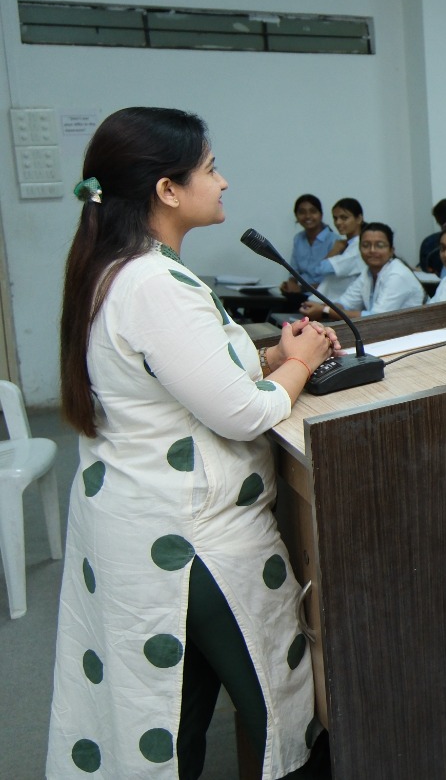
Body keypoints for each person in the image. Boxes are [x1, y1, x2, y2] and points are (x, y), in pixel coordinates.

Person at [51, 106, 338, 778]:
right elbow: (241, 412)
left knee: (174, 711)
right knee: (275, 704)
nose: (224, 181)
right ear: (167, 189)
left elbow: (181, 380)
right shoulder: (154, 283)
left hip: (145, 522)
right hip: (190, 537)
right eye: (210, 168)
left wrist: (269, 358)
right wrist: (299, 364)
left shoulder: (123, 267)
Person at [302, 221, 424, 319]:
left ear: (391, 250)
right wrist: (318, 307)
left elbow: (376, 318)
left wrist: (325, 310)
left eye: (379, 245)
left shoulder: (397, 274)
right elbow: (345, 303)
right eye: (366, 245)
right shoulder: (368, 273)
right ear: (359, 249)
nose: (372, 250)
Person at [310, 196, 364, 304]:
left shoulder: (359, 245)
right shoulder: (345, 243)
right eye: (335, 218)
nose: (338, 222)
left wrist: (334, 251)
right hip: (328, 299)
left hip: (342, 303)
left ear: (359, 219)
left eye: (344, 218)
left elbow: (322, 269)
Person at [281, 193, 333, 293]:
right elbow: (294, 271)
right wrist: (290, 284)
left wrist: (301, 289)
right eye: (302, 212)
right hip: (300, 295)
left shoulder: (334, 240)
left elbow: (333, 281)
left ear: (321, 215)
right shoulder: (298, 239)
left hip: (324, 296)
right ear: (296, 216)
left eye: (313, 211)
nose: (308, 216)